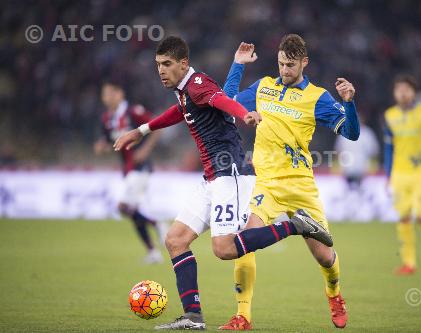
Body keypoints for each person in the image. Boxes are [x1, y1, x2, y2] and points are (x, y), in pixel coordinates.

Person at [113, 36, 333, 330]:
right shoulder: (185, 92)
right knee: (175, 240)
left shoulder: (199, 84)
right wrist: (141, 130)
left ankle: (296, 225)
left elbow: (223, 100)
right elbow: (181, 112)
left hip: (231, 175)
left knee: (224, 249)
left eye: (167, 64)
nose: (161, 70)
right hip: (212, 178)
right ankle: (192, 316)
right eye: (158, 65)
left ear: (183, 64)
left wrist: (245, 114)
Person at [220, 35, 360, 330]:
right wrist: (237, 65)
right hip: (267, 184)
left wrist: (349, 104)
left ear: (304, 63)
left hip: (300, 186)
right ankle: (243, 315)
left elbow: (351, 133)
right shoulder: (264, 87)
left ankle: (334, 294)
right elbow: (227, 102)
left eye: (291, 65)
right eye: (282, 63)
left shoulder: (318, 97)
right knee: (244, 241)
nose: (284, 69)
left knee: (323, 255)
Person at [94, 81, 166, 264]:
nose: (106, 98)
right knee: (131, 211)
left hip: (141, 168)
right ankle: (153, 251)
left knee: (123, 207)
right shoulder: (107, 119)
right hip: (127, 169)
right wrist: (102, 147)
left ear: (120, 94)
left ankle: (157, 225)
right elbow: (109, 143)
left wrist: (144, 151)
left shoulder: (134, 111)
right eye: (104, 95)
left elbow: (157, 128)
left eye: (110, 94)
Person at [383, 74, 421, 275]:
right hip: (400, 174)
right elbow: (388, 148)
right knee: (403, 218)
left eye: (406, 89)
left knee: (420, 216)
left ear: (413, 92)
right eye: (398, 89)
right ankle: (409, 263)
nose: (402, 92)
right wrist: (388, 175)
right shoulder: (389, 116)